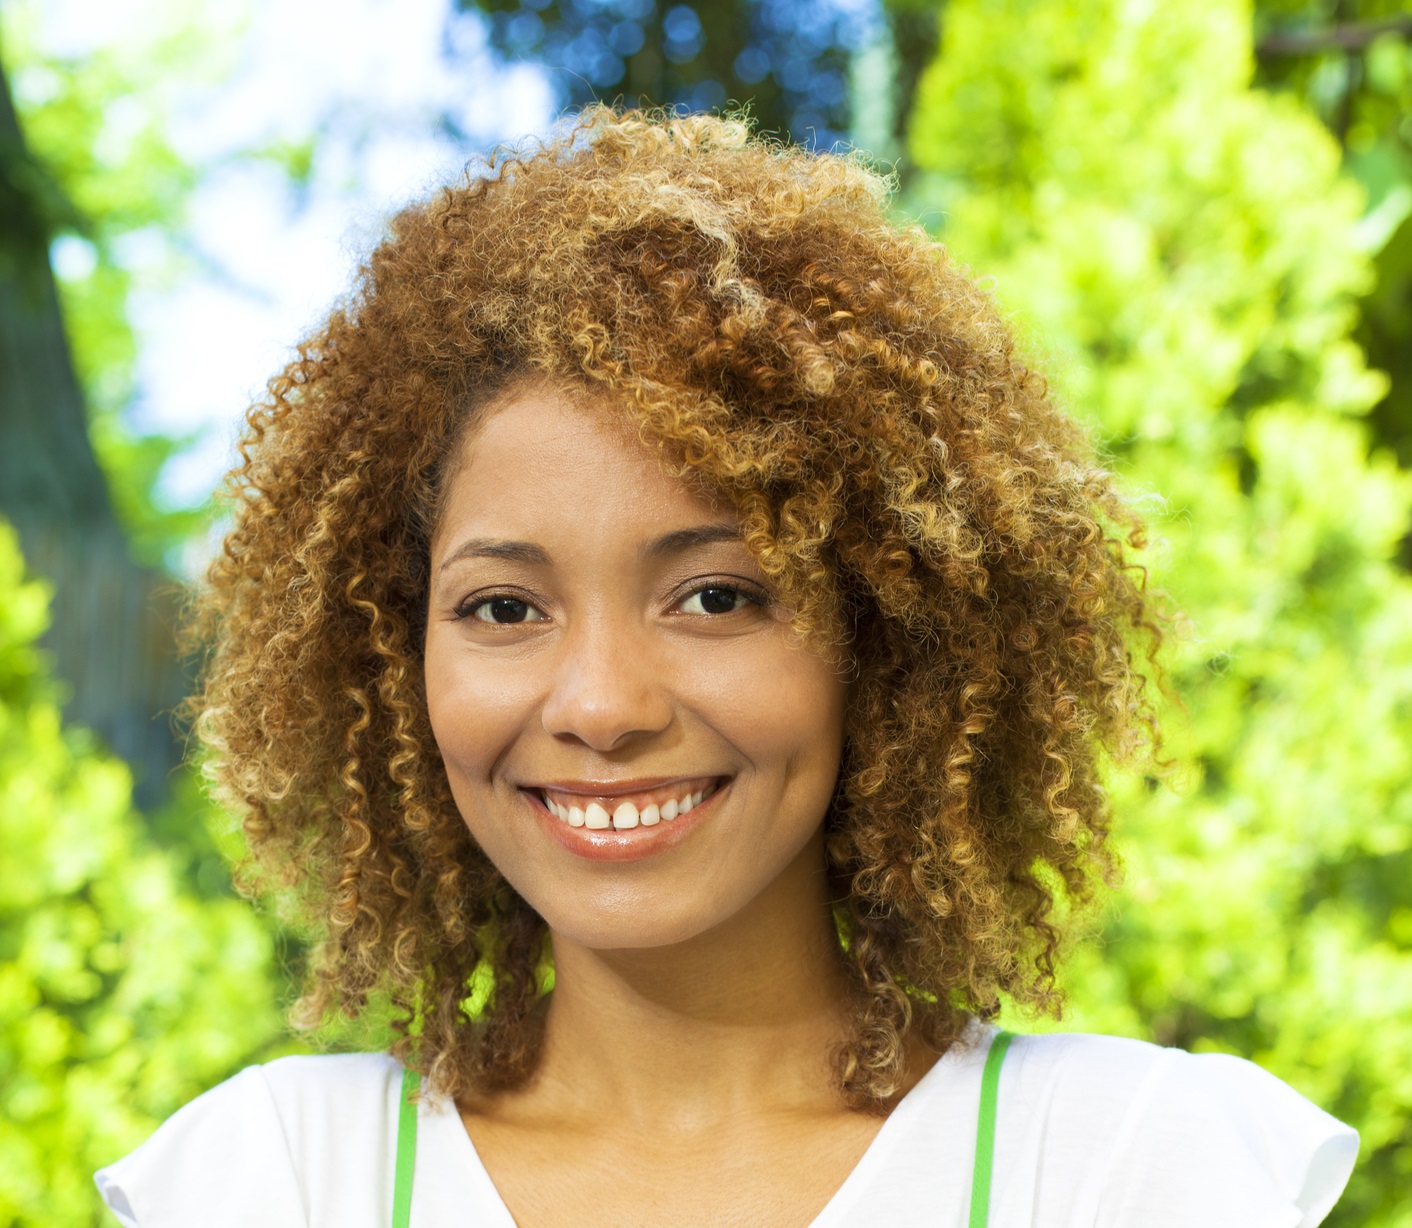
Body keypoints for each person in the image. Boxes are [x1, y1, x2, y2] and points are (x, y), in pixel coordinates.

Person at [94, 108, 1357, 1227]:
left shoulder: (1125, 1172)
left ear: (888, 638)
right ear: (388, 648)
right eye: (500, 605)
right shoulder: (272, 1182)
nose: (599, 705)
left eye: (715, 595)